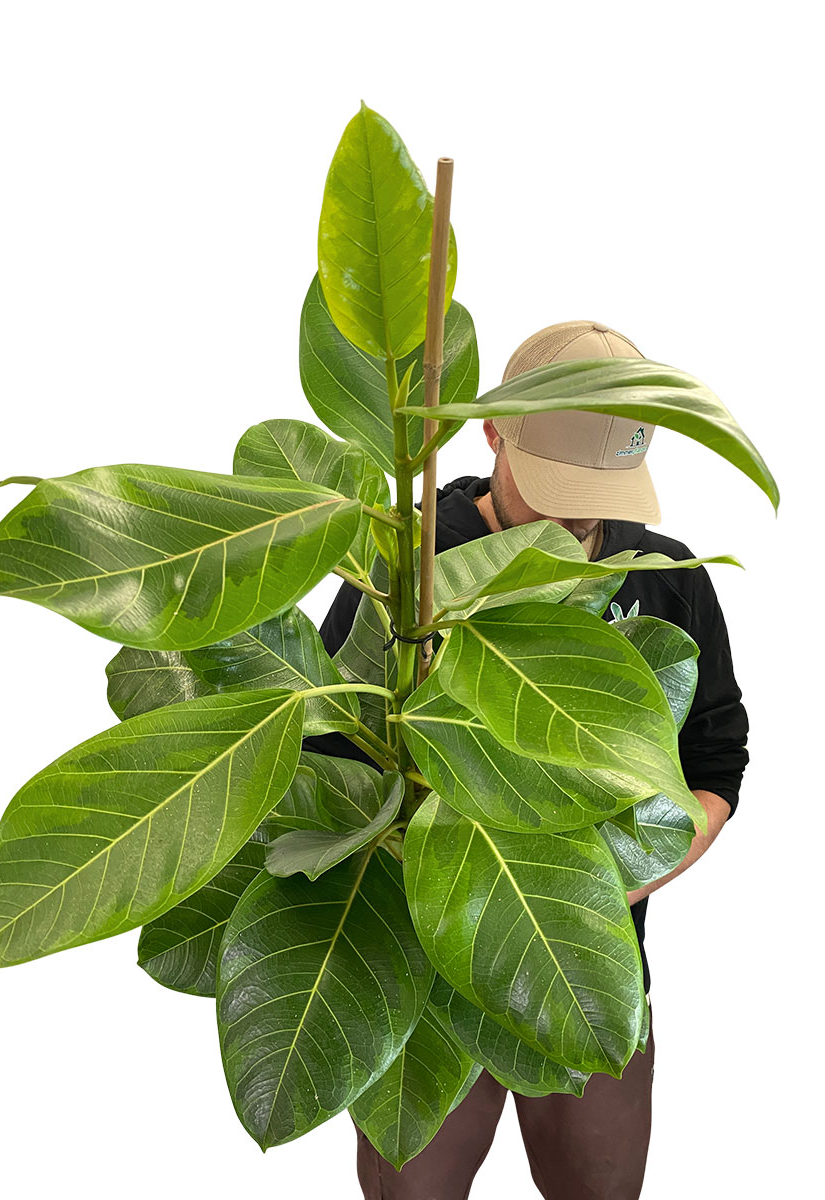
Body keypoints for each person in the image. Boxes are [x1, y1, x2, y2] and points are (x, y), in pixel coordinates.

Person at [303, 320, 750, 1200]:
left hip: (588, 971)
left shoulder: (663, 576)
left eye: (598, 482)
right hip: (424, 979)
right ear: (492, 431)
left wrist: (620, 879)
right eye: (554, 479)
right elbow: (325, 740)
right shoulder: (407, 558)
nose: (573, 509)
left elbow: (717, 758)